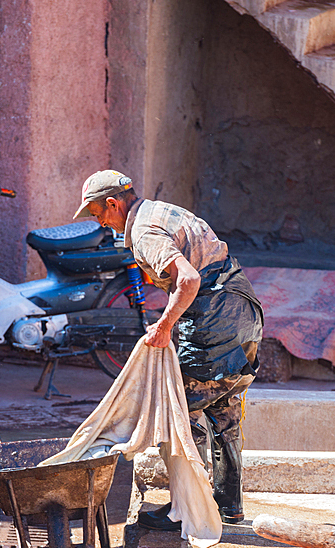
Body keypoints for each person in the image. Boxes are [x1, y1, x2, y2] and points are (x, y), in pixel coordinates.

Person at [74, 170, 263, 527]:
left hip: (215, 319)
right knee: (225, 412)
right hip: (242, 308)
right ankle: (228, 507)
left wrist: (163, 327)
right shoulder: (158, 211)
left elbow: (189, 280)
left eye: (99, 215)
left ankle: (186, 512)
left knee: (177, 412)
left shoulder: (143, 231)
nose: (102, 224)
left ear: (113, 204)